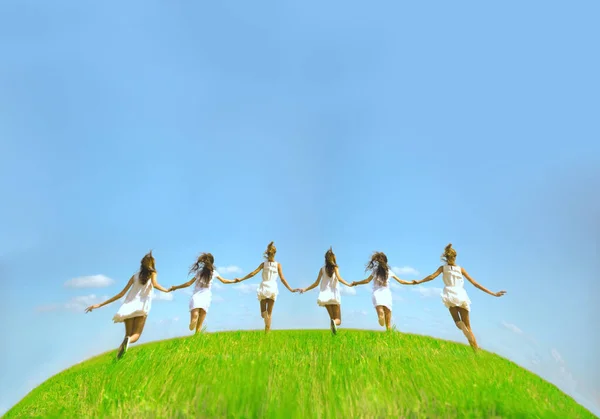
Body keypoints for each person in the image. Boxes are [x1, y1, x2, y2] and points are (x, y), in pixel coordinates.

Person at [413, 243, 506, 351]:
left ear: (446, 257)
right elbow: (475, 283)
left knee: (459, 323)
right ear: (455, 257)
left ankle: (462, 327)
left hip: (450, 294)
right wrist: (493, 293)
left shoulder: (443, 268)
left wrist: (419, 281)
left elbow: (432, 277)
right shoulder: (461, 269)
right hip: (461, 294)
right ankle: (476, 351)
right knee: (469, 327)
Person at [85, 251, 170, 359]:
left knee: (127, 335)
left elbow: (121, 294)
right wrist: (166, 290)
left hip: (129, 307)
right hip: (141, 307)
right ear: (152, 264)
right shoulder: (153, 273)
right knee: (136, 335)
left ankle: (117, 358)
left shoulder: (134, 276)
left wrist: (100, 304)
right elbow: (155, 284)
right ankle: (127, 343)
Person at [235, 241, 296, 333]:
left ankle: (267, 332)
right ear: (274, 254)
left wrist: (241, 279)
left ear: (267, 254)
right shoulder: (277, 265)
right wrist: (290, 289)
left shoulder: (264, 264)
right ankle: (267, 332)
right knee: (268, 314)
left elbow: (253, 273)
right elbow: (282, 279)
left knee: (264, 314)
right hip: (272, 287)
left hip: (264, 287)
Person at [169, 253, 236, 334]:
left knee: (198, 318)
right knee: (198, 317)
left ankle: (194, 329)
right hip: (201, 296)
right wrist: (176, 287)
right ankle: (193, 327)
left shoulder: (207, 272)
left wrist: (175, 287)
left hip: (202, 296)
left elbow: (188, 283)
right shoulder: (206, 272)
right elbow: (189, 283)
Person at [350, 251, 416, 331]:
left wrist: (356, 283)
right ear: (386, 261)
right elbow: (401, 281)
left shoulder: (375, 271)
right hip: (386, 294)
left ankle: (380, 316)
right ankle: (387, 329)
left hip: (377, 294)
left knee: (380, 311)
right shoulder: (389, 271)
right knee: (388, 323)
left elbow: (367, 281)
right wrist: (412, 282)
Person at [298, 247, 352, 335]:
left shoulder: (322, 269)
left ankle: (333, 335)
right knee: (338, 320)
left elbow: (316, 283)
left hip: (325, 297)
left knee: (332, 319)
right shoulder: (336, 268)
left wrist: (305, 289)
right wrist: (349, 284)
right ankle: (334, 329)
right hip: (334, 296)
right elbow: (339, 278)